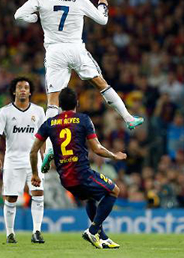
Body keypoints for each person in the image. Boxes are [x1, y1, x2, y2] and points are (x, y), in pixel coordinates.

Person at [14, 0, 143, 172]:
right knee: (101, 84)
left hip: (55, 52)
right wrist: (103, 5)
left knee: (52, 103)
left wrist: (34, 17)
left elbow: (18, 15)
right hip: (76, 49)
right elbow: (102, 20)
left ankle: (48, 149)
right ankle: (128, 118)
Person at [29, 88, 126, 249]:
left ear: (59, 105)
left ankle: (102, 237)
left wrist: (34, 174)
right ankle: (93, 230)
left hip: (66, 179)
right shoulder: (83, 119)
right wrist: (114, 156)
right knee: (114, 191)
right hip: (82, 174)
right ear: (77, 103)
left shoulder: (49, 123)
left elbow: (33, 151)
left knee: (90, 198)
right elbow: (97, 149)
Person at [0, 77, 47, 244]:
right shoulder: (5, 112)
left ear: (30, 92)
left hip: (34, 161)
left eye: (26, 87)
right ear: (14, 91)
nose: (23, 89)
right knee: (11, 198)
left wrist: (45, 156)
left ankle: (36, 231)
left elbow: (43, 136)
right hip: (12, 160)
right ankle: (10, 234)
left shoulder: (38, 111)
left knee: (38, 194)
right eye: (20, 87)